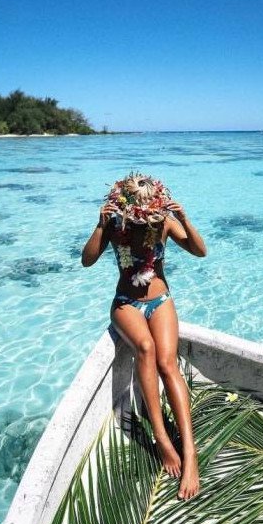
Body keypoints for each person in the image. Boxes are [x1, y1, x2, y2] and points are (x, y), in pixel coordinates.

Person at [81, 171, 207, 500]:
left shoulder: (163, 222)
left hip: (160, 300)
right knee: (146, 348)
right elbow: (87, 260)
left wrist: (184, 218)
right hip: (126, 303)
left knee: (168, 364)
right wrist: (99, 225)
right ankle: (163, 441)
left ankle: (190, 452)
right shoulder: (114, 226)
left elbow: (199, 251)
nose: (142, 219)